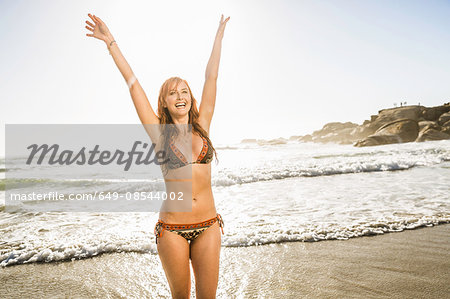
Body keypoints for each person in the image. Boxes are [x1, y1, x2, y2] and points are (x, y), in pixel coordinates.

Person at [85, 12, 230, 298]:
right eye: (173, 93)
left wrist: (218, 38)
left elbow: (211, 76)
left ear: (191, 97)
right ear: (164, 101)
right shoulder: (158, 133)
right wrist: (110, 41)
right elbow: (132, 82)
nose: (180, 96)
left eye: (185, 91)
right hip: (172, 229)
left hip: (209, 226)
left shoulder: (204, 126)